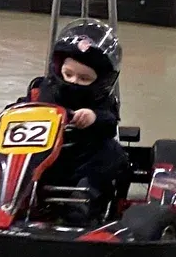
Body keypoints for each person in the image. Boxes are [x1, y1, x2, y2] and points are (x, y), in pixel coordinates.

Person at [27, 20, 132, 222]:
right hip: (38, 154)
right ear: (58, 68)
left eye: (84, 78)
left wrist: (93, 117)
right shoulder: (44, 90)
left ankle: (84, 196)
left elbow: (110, 123)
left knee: (113, 153)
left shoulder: (102, 101)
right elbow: (22, 107)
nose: (74, 81)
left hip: (80, 158)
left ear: (101, 80)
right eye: (68, 74)